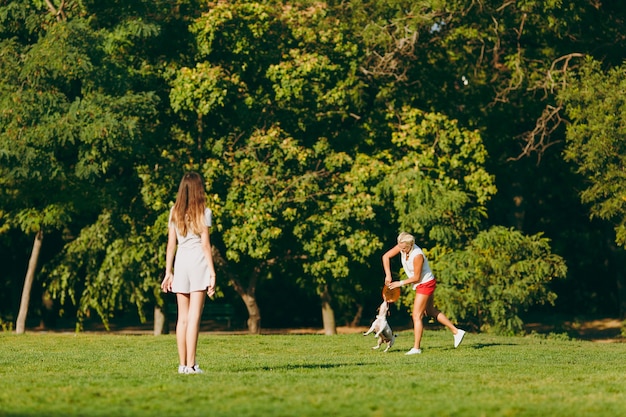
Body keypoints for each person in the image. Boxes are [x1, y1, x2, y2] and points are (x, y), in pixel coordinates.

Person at [161, 172, 216, 374]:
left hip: (181, 264)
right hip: (198, 264)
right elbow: (205, 245)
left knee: (182, 318)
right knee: (194, 317)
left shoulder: (174, 212)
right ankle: (191, 365)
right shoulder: (204, 212)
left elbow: (170, 245)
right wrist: (212, 272)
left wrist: (168, 272)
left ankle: (183, 365)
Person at [383, 232, 465, 355]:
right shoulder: (401, 247)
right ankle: (456, 331)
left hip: (425, 283)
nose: (402, 250)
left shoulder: (417, 255)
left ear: (411, 244)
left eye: (404, 248)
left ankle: (416, 348)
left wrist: (399, 283)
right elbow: (386, 257)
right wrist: (388, 275)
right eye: (400, 247)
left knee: (416, 315)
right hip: (422, 283)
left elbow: (416, 277)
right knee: (430, 311)